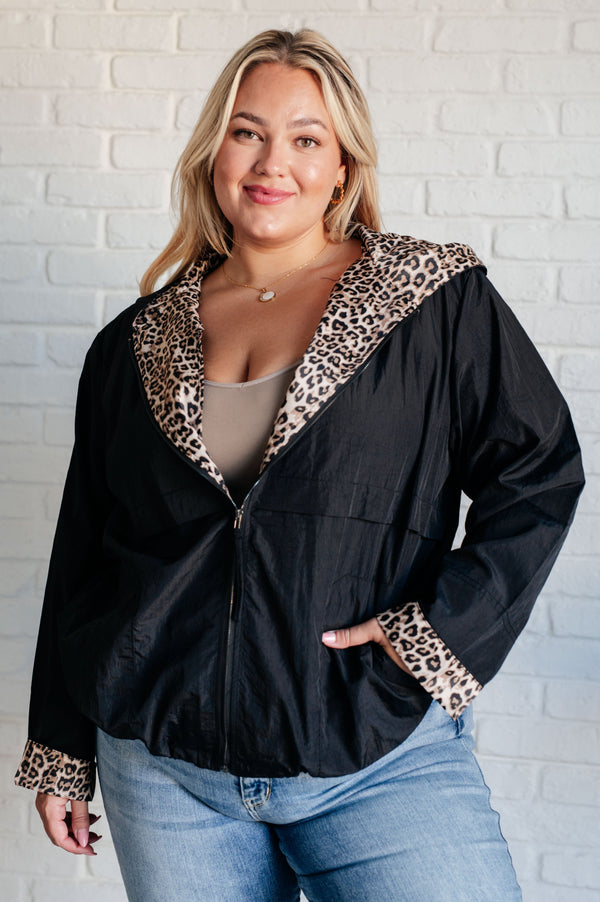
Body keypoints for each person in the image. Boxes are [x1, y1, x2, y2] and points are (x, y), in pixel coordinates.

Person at [15, 28, 583, 902]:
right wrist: (61, 749)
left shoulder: (432, 300)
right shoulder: (133, 344)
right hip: (164, 769)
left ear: (344, 166)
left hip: (374, 750)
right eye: (247, 131)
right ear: (213, 152)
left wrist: (434, 638)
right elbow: (85, 549)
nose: (271, 161)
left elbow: (539, 471)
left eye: (305, 138)